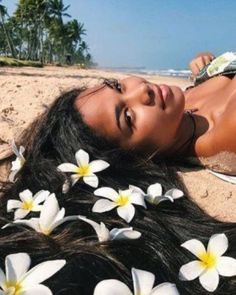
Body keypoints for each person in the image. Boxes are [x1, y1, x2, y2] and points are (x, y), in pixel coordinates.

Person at [0, 52, 236, 295]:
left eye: (118, 86)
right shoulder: (227, 129)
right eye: (128, 117)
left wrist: (206, 70)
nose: (142, 91)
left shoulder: (175, 112)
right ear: (139, 160)